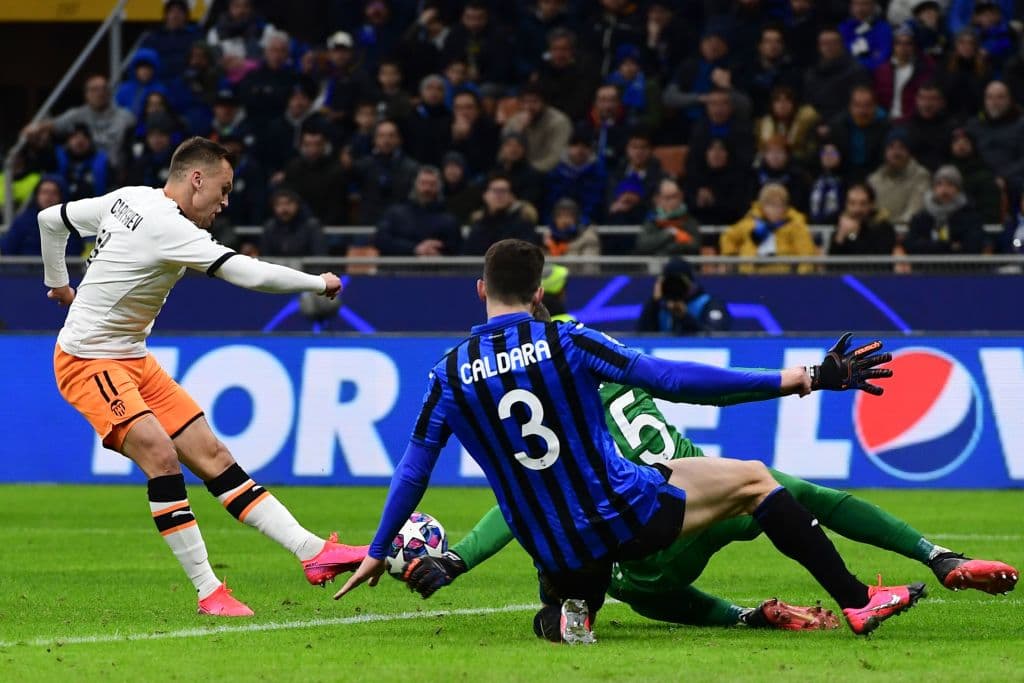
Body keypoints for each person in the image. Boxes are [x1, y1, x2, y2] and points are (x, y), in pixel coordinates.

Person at [335, 238, 926, 642]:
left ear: (479, 289)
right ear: (540, 292)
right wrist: (805, 378)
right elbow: (672, 381)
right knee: (753, 479)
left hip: (555, 551)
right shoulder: (568, 343)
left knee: (568, 570)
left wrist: (379, 548)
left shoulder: (448, 375)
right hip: (627, 516)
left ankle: (568, 615)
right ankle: (856, 598)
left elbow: (414, 469)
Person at [401, 326, 1016, 637]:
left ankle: (566, 614)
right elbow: (700, 386)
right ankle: (932, 560)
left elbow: (519, 504)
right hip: (695, 494)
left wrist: (457, 557)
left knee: (627, 579)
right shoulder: (613, 371)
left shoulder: (555, 406)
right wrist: (806, 376)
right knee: (797, 494)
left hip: (634, 538)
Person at [38, 137, 365, 617]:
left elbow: (51, 221)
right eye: (223, 188)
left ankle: (312, 552)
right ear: (197, 178)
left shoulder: (128, 198)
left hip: (133, 358)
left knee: (212, 454)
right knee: (161, 455)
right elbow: (247, 274)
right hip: (88, 360)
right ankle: (209, 591)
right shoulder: (168, 225)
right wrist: (318, 282)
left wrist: (57, 284)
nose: (225, 202)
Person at [23, 75, 136, 169]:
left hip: (118, 171)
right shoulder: (77, 115)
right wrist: (34, 128)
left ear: (109, 93)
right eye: (94, 89)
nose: (100, 93)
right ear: (86, 94)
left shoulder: (125, 116)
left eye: (104, 89)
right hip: (89, 173)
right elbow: (53, 125)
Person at [721, 184, 817, 273]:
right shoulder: (750, 223)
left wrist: (802, 275)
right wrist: (731, 257)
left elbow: (806, 252)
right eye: (771, 205)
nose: (775, 210)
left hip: (783, 276)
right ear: (762, 206)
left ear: (786, 207)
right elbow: (728, 237)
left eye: (780, 205)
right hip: (750, 274)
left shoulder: (795, 225)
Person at [374, 166, 462, 256]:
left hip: (437, 268)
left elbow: (456, 250)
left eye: (432, 184)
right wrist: (415, 248)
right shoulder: (395, 214)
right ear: (415, 185)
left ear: (439, 187)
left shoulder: (449, 221)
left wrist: (437, 252)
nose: (427, 189)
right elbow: (380, 240)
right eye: (423, 183)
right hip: (398, 268)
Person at [350, 119, 420, 224]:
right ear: (375, 139)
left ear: (399, 139)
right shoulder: (363, 166)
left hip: (400, 225)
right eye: (381, 136)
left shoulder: (412, 168)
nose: (386, 140)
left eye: (391, 136)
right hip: (369, 224)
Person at [905, 165, 987, 254]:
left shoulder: (970, 217)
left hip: (960, 267)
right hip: (926, 267)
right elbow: (911, 246)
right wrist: (949, 246)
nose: (944, 190)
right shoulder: (921, 217)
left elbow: (972, 247)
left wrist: (931, 245)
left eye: (950, 185)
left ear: (958, 189)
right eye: (939, 184)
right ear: (934, 188)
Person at [637, 258, 731, 333]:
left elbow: (716, 338)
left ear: (691, 283)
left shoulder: (708, 303)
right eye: (670, 284)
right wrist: (653, 303)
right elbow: (640, 338)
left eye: (679, 284)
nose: (675, 288)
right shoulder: (658, 306)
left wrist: (685, 317)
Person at [279, 128, 348, 225]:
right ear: (301, 146)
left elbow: (337, 208)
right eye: (308, 145)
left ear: (325, 146)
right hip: (298, 226)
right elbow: (290, 199)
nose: (313, 149)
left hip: (328, 226)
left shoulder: (336, 171)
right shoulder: (293, 168)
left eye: (317, 144)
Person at [965, 81, 1024, 191]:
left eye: (1000, 97)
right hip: (979, 178)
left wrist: (1004, 176)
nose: (994, 102)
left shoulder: (1021, 125)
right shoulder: (974, 124)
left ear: (1010, 99)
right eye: (989, 97)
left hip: (1013, 180)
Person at [823, 85, 890, 182]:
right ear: (850, 106)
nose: (862, 111)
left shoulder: (885, 127)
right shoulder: (837, 126)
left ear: (875, 106)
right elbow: (826, 149)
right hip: (844, 176)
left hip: (876, 177)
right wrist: (828, 155)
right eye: (857, 105)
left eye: (867, 105)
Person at [1, 176, 81, 256]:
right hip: (24, 268)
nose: (48, 197)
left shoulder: (71, 224)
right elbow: (8, 251)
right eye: (44, 192)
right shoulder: (22, 223)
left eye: (54, 193)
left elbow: (74, 254)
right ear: (37, 195)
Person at [502, 84, 573, 174]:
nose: (528, 107)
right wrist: (519, 131)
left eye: (534, 102)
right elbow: (503, 154)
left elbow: (556, 157)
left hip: (546, 173)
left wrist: (530, 171)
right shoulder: (514, 121)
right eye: (524, 102)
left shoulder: (559, 122)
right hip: (516, 171)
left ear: (544, 103)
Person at [803, 28, 869, 123]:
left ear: (841, 45)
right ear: (819, 46)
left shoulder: (856, 71)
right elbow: (808, 103)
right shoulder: (811, 72)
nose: (829, 47)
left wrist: (832, 125)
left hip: (846, 123)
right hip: (816, 122)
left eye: (833, 43)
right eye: (824, 43)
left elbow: (858, 104)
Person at [462, 176, 539, 255]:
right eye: (495, 191)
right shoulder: (478, 225)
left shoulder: (523, 224)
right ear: (485, 195)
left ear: (511, 196)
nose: (499, 195)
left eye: (503, 191)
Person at [867, 129, 931, 223]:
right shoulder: (874, 179)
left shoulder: (921, 176)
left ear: (909, 151)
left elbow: (915, 210)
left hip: (905, 231)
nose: (896, 152)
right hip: (877, 231)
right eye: (891, 147)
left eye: (901, 147)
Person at [872, 26, 934, 123]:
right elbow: (876, 98)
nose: (903, 47)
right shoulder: (882, 70)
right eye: (898, 43)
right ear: (893, 46)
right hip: (884, 121)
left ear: (914, 46)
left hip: (912, 122)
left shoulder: (923, 70)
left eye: (908, 44)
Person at [545, 131, 607, 226]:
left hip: (587, 225)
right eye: (575, 145)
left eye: (585, 146)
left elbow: (595, 205)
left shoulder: (598, 174)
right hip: (555, 223)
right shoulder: (555, 172)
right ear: (568, 147)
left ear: (591, 149)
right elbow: (549, 203)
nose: (580, 149)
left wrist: (582, 222)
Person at [754, 86, 820, 169]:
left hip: (799, 166)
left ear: (793, 104)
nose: (782, 105)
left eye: (787, 101)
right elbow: (760, 151)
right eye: (778, 101)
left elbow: (810, 151)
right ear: (772, 105)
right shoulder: (762, 124)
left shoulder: (806, 123)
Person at [949, 127, 1003, 225]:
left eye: (965, 142)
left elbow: (990, 210)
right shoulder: (945, 172)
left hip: (977, 224)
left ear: (973, 145)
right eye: (956, 142)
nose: (961, 145)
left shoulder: (984, 172)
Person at [634, 178, 700, 256]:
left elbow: (695, 245)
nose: (671, 201)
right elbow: (643, 245)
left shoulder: (689, 220)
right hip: (654, 265)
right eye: (667, 198)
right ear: (658, 199)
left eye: (674, 196)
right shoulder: (652, 220)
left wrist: (669, 247)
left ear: (681, 197)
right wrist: (669, 233)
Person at [829, 183, 897, 256]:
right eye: (852, 203)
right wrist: (840, 236)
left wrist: (854, 235)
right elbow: (831, 262)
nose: (857, 209)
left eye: (863, 203)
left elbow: (876, 260)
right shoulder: (840, 225)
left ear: (871, 205)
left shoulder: (883, 227)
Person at [904, 82, 955, 173]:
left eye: (932, 99)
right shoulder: (906, 126)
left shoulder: (951, 127)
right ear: (916, 100)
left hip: (942, 177)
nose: (926, 104)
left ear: (942, 102)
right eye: (922, 98)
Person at [56, 124, 112, 202]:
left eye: (85, 137)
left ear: (90, 141)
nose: (79, 141)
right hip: (59, 209)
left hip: (93, 209)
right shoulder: (56, 159)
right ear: (68, 141)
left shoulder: (103, 162)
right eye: (74, 137)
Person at [542, 197, 600, 263]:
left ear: (576, 218)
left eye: (568, 216)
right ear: (554, 219)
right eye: (560, 216)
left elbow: (589, 269)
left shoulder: (588, 237)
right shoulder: (548, 236)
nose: (564, 221)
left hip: (576, 273)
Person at [839, 0, 893, 71]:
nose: (860, 8)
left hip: (872, 73)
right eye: (856, 4)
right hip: (846, 73)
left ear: (873, 6)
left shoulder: (883, 28)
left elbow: (882, 56)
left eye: (865, 4)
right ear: (851, 7)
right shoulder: (843, 27)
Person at [809, 143, 846, 225]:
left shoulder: (846, 179)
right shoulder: (812, 178)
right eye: (824, 153)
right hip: (813, 227)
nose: (828, 156)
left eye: (833, 153)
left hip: (838, 226)